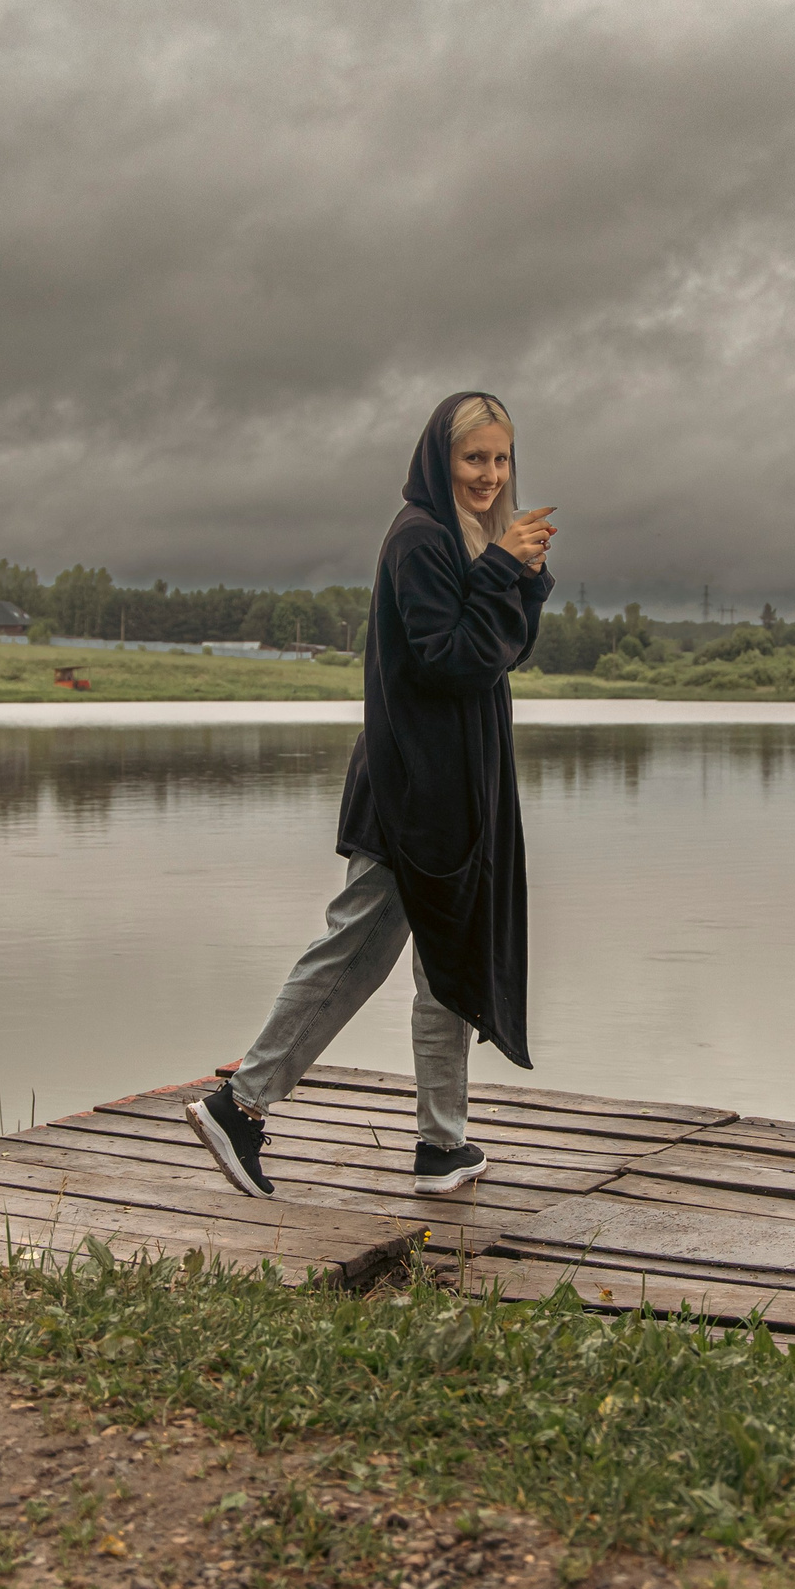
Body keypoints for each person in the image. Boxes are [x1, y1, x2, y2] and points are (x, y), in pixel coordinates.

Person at [187, 392, 555, 1199]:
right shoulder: (421, 539)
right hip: (411, 788)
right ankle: (239, 1104)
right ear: (439, 459)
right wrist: (501, 570)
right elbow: (446, 660)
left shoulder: (467, 540)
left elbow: (498, 654)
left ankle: (441, 1145)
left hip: (457, 788)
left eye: (500, 459)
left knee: (447, 967)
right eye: (474, 459)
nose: (491, 475)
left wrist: (518, 575)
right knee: (354, 951)